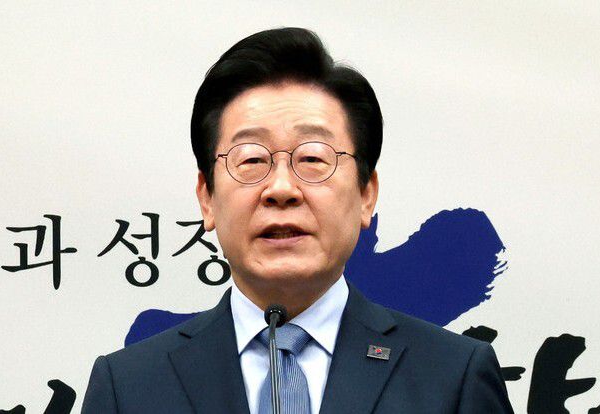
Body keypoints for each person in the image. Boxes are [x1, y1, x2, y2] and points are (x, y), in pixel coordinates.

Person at [82, 27, 514, 413]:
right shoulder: (128, 386)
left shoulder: (454, 376)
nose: (282, 188)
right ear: (207, 199)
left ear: (366, 195)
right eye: (251, 160)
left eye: (313, 159)